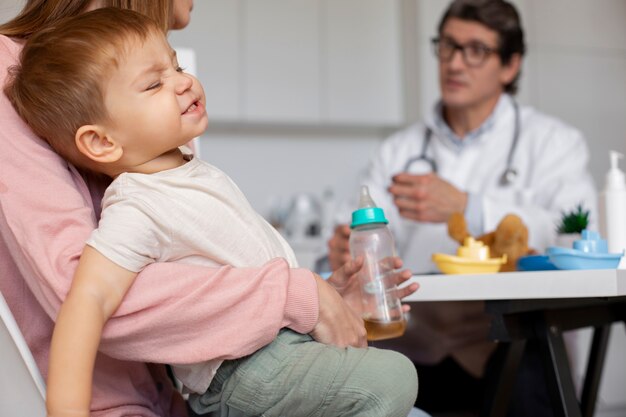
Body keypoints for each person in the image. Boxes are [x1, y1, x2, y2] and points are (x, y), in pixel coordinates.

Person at [0, 1, 419, 417]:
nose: (184, 83)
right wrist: (67, 409)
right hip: (244, 370)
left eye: (177, 68)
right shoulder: (137, 204)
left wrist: (325, 302)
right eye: (153, 84)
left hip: (266, 351)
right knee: (393, 379)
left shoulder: (185, 168)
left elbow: (231, 266)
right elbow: (85, 298)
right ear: (102, 142)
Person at [327, 0, 597, 416]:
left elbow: (576, 235)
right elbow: (359, 230)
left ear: (510, 66)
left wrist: (469, 209)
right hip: (417, 344)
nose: (455, 63)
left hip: (510, 341)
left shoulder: (553, 143)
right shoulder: (400, 149)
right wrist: (347, 248)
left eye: (476, 50)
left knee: (530, 384)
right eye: (448, 46)